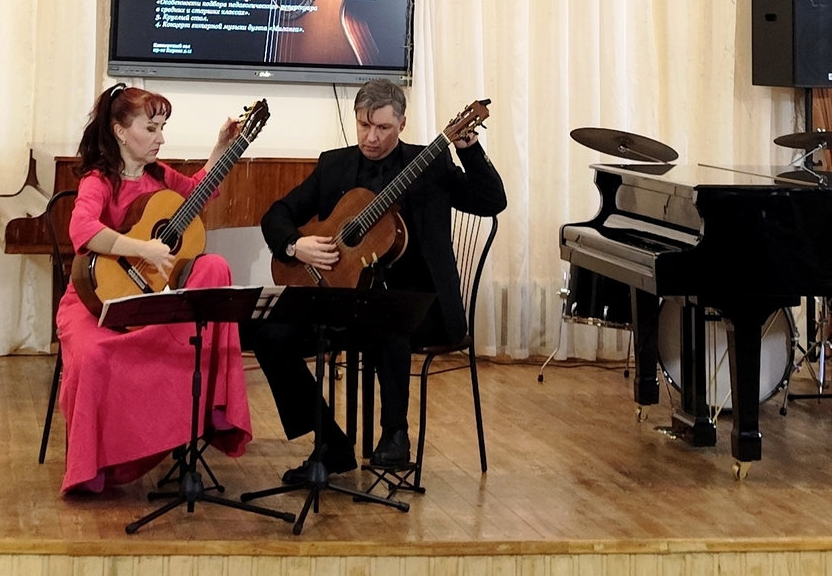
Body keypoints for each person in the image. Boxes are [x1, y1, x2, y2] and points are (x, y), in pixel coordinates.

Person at [251, 78, 506, 483]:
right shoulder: (334, 165)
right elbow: (277, 214)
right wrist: (295, 246)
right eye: (364, 125)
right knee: (268, 334)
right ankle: (329, 442)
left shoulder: (430, 163)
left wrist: (469, 151)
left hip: (419, 304)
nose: (371, 137)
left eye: (383, 128)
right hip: (341, 300)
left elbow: (491, 202)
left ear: (401, 124)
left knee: (389, 320)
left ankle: (395, 434)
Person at [55, 83, 252, 495]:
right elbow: (82, 228)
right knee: (93, 356)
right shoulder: (99, 180)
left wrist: (221, 149)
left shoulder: (159, 175)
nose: (161, 138)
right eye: (151, 128)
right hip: (96, 301)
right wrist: (141, 248)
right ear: (120, 132)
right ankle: (98, 464)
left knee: (214, 267)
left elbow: (199, 192)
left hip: (150, 300)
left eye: (162, 127)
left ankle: (206, 409)